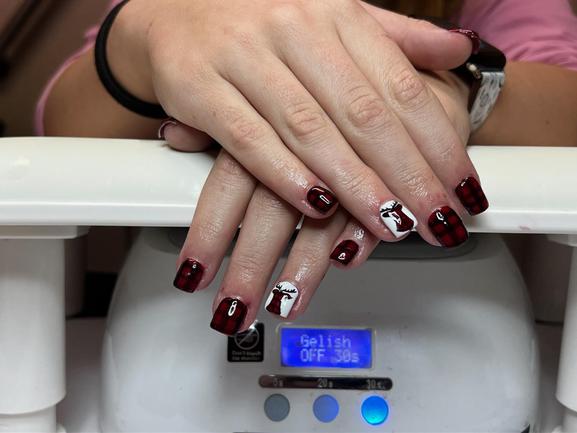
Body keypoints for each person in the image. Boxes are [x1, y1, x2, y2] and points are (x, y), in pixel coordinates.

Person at [39, 0, 577, 335]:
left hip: (450, 311)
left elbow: (566, 89)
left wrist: (434, 88)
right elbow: (59, 123)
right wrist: (145, 27)